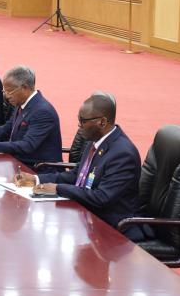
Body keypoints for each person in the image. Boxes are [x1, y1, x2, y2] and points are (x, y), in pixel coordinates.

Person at [16, 93, 143, 239]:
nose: (79, 126)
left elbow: (102, 197)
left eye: (83, 121)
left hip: (114, 227)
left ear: (102, 122)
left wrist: (58, 188)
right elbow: (76, 175)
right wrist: (37, 179)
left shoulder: (122, 154)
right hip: (89, 216)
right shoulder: (95, 141)